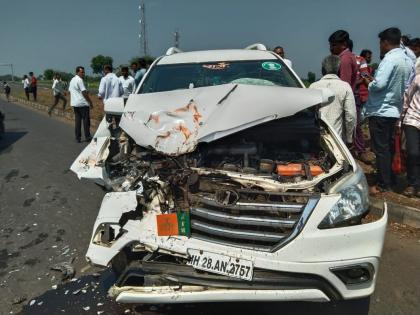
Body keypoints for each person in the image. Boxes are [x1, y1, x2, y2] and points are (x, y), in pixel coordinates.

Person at [363, 27, 413, 194]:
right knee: (390, 148)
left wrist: (369, 83)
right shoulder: (407, 60)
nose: (379, 46)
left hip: (381, 109)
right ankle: (390, 178)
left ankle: (383, 184)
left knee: (381, 150)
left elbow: (379, 84)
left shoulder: (389, 60)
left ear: (385, 42)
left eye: (380, 43)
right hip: (394, 110)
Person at [310, 55, 356, 144]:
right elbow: (351, 115)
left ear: (323, 70)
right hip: (337, 138)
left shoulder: (313, 86)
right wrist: (349, 138)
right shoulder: (345, 87)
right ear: (338, 71)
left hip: (316, 137)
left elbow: (309, 113)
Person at [400, 60, 420, 197]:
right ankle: (413, 184)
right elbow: (408, 96)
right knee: (413, 152)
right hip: (413, 117)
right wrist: (401, 118)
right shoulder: (418, 78)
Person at [68, 66, 93, 143]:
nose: (83, 73)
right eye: (82, 72)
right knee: (86, 121)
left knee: (78, 121)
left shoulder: (72, 80)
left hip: (75, 103)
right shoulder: (80, 80)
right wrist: (90, 102)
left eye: (83, 72)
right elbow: (83, 92)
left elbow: (69, 91)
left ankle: (78, 137)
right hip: (82, 103)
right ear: (77, 72)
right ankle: (87, 136)